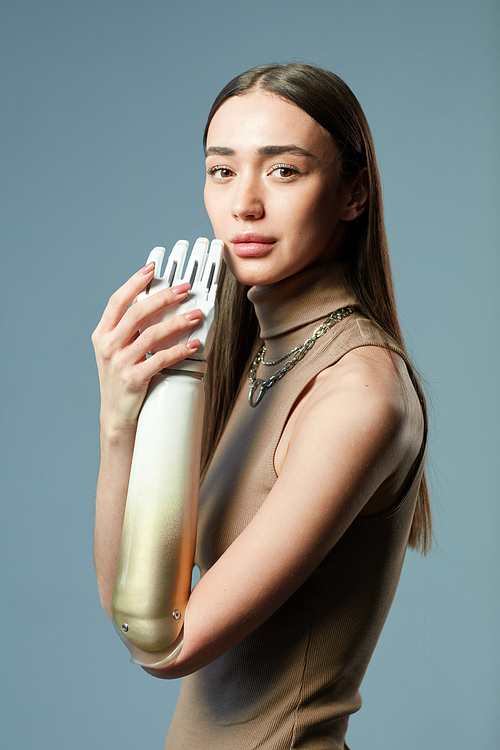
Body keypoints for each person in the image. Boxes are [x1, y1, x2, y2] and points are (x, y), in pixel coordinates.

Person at [92, 62, 431, 749]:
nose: (244, 203)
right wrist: (121, 420)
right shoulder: (255, 354)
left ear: (352, 193)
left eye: (283, 171)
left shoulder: (356, 393)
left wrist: (162, 398)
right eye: (222, 171)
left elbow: (163, 643)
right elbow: (131, 606)